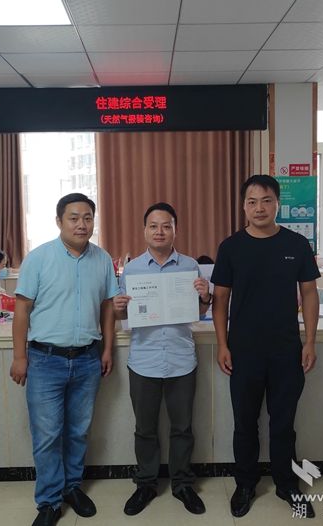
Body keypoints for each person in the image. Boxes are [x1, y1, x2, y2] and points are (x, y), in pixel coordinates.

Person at [211, 175, 320, 519]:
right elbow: (220, 300)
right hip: (243, 351)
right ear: (243, 206)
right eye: (252, 201)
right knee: (244, 422)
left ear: (277, 204)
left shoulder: (296, 244)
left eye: (266, 200)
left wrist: (310, 341)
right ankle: (245, 484)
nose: (259, 208)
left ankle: (287, 483)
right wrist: (222, 344)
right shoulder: (231, 247)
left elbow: (309, 293)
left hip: (287, 350)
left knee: (283, 423)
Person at [10, 193, 119, 526]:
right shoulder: (38, 258)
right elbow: (22, 310)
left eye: (87, 218)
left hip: (87, 359)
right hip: (45, 360)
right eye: (73, 218)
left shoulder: (102, 259)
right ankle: (48, 501)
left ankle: (72, 487)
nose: (81, 224)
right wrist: (19, 356)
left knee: (78, 432)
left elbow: (108, 307)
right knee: (47, 436)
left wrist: (107, 349)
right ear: (59, 221)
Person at [113, 202, 211, 516]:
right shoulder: (132, 269)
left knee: (182, 427)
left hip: (182, 359)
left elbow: (199, 313)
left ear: (175, 230)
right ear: (145, 230)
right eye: (154, 226)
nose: (160, 231)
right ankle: (146, 484)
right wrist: (118, 308)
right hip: (144, 359)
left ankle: (182, 484)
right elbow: (123, 315)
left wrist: (205, 297)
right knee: (145, 428)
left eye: (166, 226)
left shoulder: (190, 265)